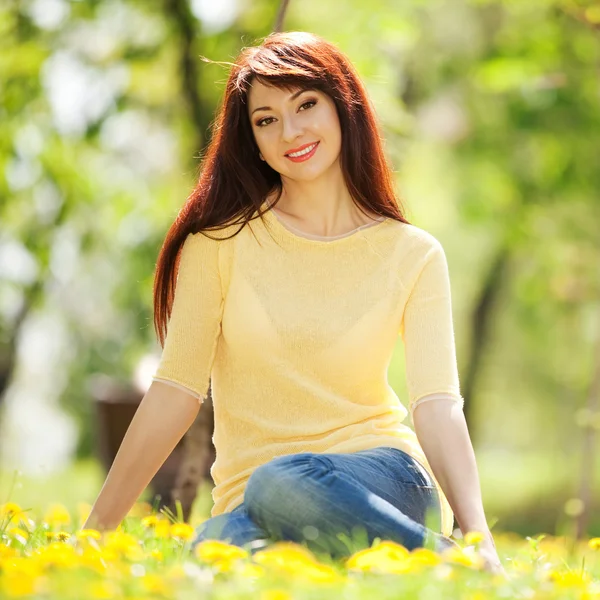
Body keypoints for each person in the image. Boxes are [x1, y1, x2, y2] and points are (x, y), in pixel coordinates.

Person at [83, 31, 505, 576]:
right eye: (266, 119)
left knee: (281, 481)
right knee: (213, 557)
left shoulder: (413, 254)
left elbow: (437, 405)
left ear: (342, 108)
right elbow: (174, 391)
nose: (291, 131)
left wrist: (478, 529)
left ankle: (456, 563)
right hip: (253, 498)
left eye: (306, 104)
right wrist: (95, 533)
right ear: (252, 140)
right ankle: (414, 563)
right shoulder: (217, 246)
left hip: (385, 480)